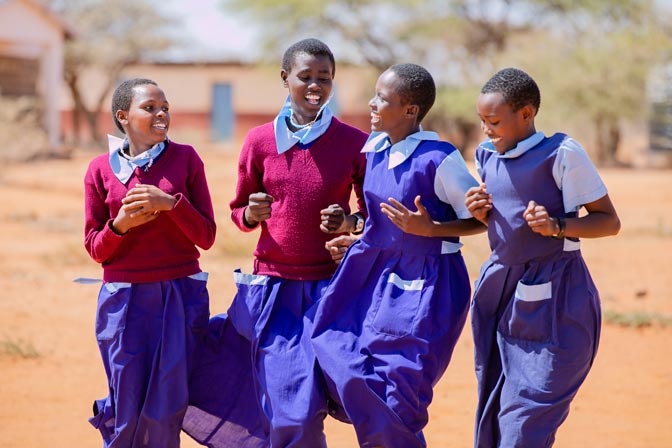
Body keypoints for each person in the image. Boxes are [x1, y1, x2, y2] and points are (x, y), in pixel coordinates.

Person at [311, 63, 486, 447]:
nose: (372, 104)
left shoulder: (438, 158)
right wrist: (352, 224)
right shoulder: (372, 150)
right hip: (371, 278)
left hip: (426, 285)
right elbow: (378, 217)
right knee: (341, 354)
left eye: (382, 99)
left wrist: (430, 230)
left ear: (410, 110)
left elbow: (481, 220)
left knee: (398, 393)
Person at [465, 67, 621, 447]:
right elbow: (499, 219)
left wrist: (557, 225)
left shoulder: (562, 154)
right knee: (497, 407)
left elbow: (608, 222)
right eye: (483, 121)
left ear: (527, 114)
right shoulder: (486, 154)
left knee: (527, 419)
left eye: (495, 121)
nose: (487, 130)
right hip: (500, 297)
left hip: (557, 301)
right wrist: (478, 211)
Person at [226, 38, 368, 447]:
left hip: (335, 290)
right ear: (285, 78)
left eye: (325, 78)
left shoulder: (352, 142)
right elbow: (239, 211)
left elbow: (370, 211)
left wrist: (349, 221)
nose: (315, 86)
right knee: (293, 410)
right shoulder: (259, 142)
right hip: (276, 291)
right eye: (305, 76)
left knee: (354, 392)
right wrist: (252, 213)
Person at [84, 78, 217, 447]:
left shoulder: (186, 158)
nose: (161, 115)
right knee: (127, 408)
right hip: (124, 303)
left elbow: (206, 236)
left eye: (165, 108)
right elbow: (95, 248)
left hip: (180, 295)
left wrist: (170, 204)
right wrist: (120, 226)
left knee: (164, 411)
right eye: (150, 108)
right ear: (122, 116)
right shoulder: (100, 169)